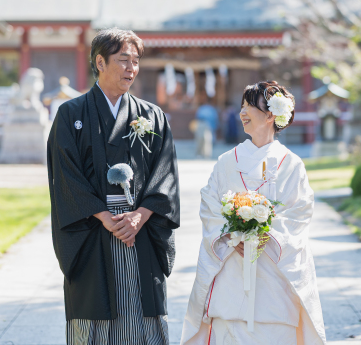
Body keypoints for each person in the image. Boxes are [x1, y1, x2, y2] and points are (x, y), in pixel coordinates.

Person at [46, 27, 180, 345]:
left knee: (142, 313)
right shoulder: (70, 114)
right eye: (123, 60)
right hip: (92, 229)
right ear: (100, 63)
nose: (131, 68)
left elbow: (166, 174)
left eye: (135, 61)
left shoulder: (152, 116)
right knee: (94, 314)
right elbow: (65, 176)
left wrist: (141, 215)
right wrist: (105, 216)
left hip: (141, 230)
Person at [181, 81, 327, 345]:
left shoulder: (291, 164)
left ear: (271, 115)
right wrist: (233, 236)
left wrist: (263, 236)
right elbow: (210, 204)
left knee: (274, 329)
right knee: (230, 327)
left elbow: (299, 211)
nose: (242, 112)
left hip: (274, 271)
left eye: (250, 106)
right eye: (242, 106)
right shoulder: (227, 161)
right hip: (231, 267)